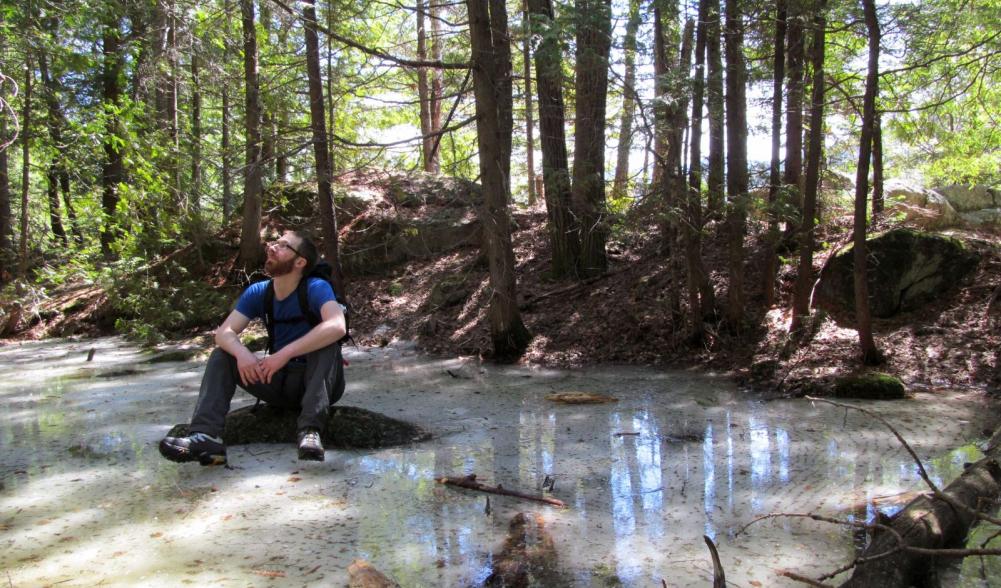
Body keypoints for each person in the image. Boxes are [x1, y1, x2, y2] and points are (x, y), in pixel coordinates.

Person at [159, 230, 346, 465]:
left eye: (283, 246)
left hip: (317, 380)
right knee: (222, 355)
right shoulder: (259, 292)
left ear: (300, 262)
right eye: (274, 243)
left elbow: (338, 326)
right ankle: (206, 437)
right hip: (277, 381)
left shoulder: (316, 287)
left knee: (327, 346)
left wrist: (284, 354)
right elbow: (224, 333)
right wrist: (242, 354)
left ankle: (310, 432)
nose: (272, 248)